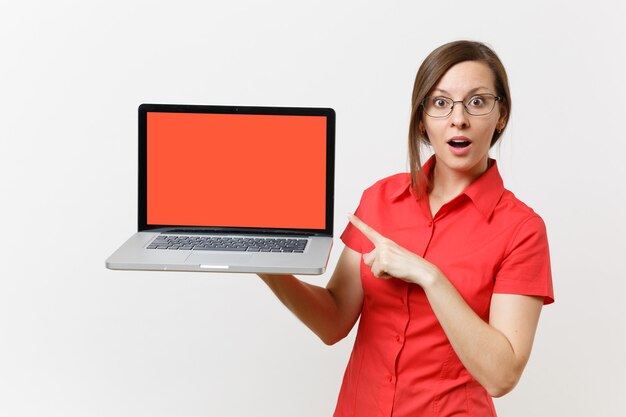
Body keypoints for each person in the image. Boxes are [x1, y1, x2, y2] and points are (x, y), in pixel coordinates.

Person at [259, 40, 554, 417]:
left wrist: (430, 277)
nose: (458, 119)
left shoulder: (522, 230)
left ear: (500, 116)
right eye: (441, 102)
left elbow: (501, 375)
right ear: (421, 120)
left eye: (477, 102)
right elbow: (333, 322)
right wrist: (267, 266)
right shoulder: (379, 200)